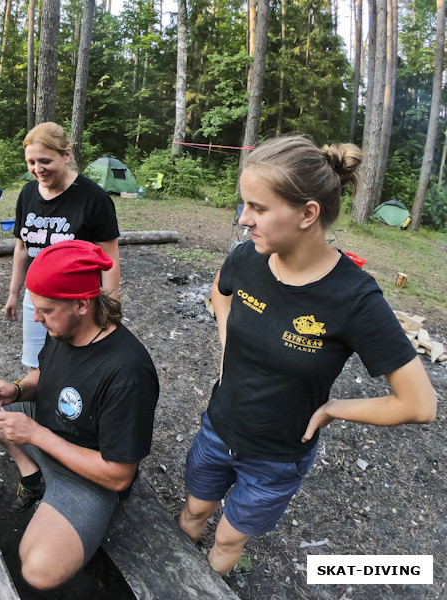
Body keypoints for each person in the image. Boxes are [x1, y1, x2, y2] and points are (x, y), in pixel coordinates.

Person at [178, 136, 437, 576]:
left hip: (277, 457)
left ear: (308, 213)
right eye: (245, 205)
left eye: (258, 208)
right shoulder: (247, 259)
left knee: (227, 538)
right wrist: (227, 342)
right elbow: (220, 293)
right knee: (193, 513)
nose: (244, 220)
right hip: (219, 428)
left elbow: (419, 404)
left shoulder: (355, 298)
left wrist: (336, 408)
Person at [0, 240, 158, 590]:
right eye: (36, 307)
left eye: (46, 310)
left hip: (88, 476)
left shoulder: (128, 372)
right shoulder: (63, 329)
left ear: (83, 304)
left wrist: (35, 435)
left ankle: (53, 489)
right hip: (46, 433)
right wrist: (17, 390)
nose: (36, 318)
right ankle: (34, 475)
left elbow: (119, 476)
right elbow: (45, 375)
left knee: (37, 569)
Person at [5, 122, 120, 369]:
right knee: (37, 365)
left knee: (76, 365)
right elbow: (22, 248)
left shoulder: (94, 198)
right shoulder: (27, 194)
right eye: (31, 162)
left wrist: (110, 309)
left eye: (45, 161)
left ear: (66, 155)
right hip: (35, 299)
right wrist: (14, 293)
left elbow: (110, 259)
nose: (38, 169)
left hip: (77, 304)